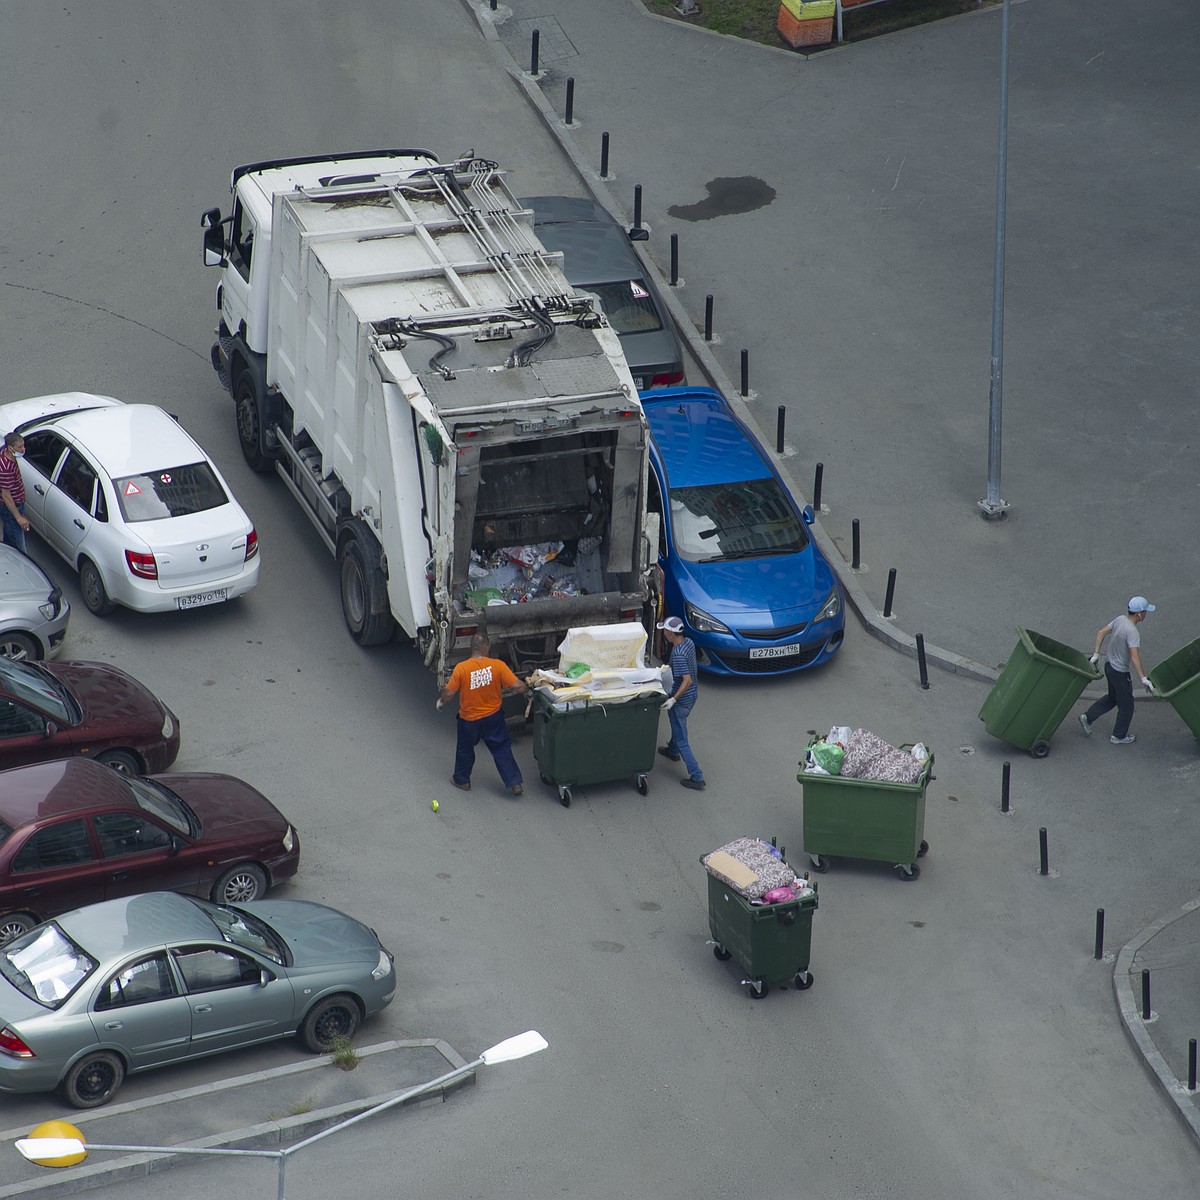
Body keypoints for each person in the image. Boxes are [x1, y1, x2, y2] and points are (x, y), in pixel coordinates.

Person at [437, 632, 529, 794]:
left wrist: (441, 702)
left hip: (469, 721)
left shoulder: (462, 669)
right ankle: (514, 783)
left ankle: (462, 781)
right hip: (494, 717)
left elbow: (449, 693)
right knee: (501, 748)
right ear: (487, 647)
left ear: (471, 648)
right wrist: (527, 690)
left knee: (465, 750)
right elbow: (518, 686)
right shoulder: (498, 665)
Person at [1079, 596, 1156, 745]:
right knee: (1127, 705)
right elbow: (1134, 657)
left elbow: (1101, 632)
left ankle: (1087, 718)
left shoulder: (1120, 619)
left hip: (1109, 666)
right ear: (1139, 614)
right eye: (1145, 611)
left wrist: (1096, 654)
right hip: (1120, 672)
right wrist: (1143, 678)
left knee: (1113, 698)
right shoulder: (1133, 632)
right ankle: (1118, 736)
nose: (1146, 614)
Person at [656, 615, 705, 790]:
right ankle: (672, 751)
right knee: (677, 725)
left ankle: (697, 776)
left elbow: (687, 680)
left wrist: (673, 699)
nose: (664, 633)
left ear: (671, 633)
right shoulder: (688, 643)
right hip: (692, 696)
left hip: (682, 699)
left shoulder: (677, 654)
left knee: (682, 736)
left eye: (665, 631)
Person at [0, 432, 31, 554]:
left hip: (16, 506)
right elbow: (6, 496)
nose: (23, 449)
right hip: (11, 510)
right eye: (19, 447)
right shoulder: (5, 468)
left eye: (23, 445)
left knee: (9, 540)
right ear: (10, 448)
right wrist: (19, 518)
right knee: (20, 550)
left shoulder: (8, 456)